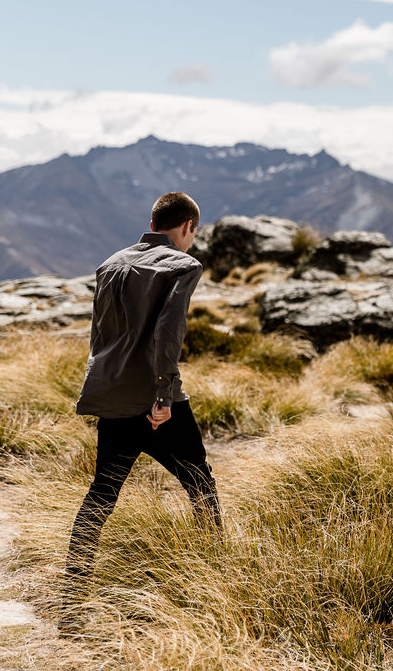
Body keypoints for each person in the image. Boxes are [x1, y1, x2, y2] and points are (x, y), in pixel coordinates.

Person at [65, 191, 222, 588]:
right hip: (156, 402)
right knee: (199, 483)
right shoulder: (183, 265)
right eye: (193, 232)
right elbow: (169, 334)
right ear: (188, 227)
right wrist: (164, 395)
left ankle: (75, 579)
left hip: (113, 397)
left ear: (152, 225)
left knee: (102, 492)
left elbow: (99, 336)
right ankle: (220, 572)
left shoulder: (110, 264)